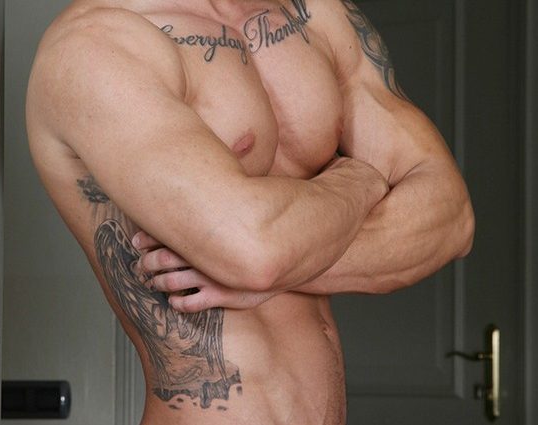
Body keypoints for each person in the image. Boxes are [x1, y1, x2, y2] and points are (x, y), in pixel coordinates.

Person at [26, 0, 474, 423]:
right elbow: (255, 249)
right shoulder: (93, 45)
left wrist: (270, 264)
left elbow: (453, 220)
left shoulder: (318, 14)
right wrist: (360, 180)